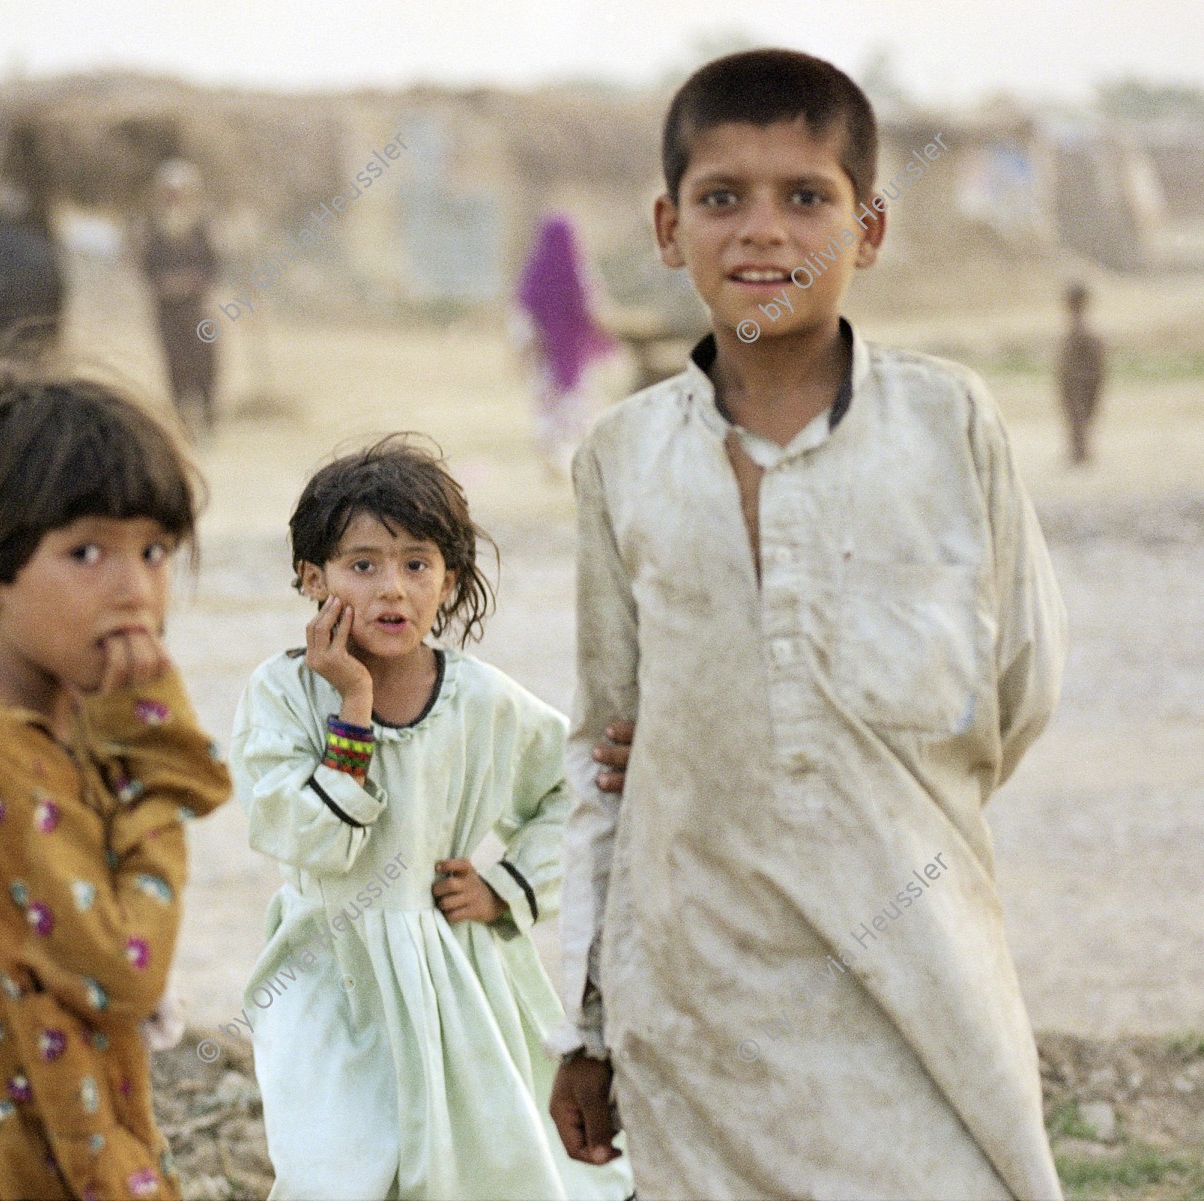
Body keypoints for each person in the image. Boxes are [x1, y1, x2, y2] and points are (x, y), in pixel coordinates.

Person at [546, 49, 1069, 1200]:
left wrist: (861, 766)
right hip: (698, 1011)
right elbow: (602, 751)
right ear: (668, 227)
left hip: (922, 988)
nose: (762, 232)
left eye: (807, 198)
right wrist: (582, 1022)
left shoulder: (947, 424)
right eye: (721, 197)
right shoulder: (624, 460)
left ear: (867, 228)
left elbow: (1020, 688)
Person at [231, 436, 636, 1201]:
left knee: (471, 1167)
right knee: (331, 1169)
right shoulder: (282, 695)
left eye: (417, 564)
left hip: (455, 974)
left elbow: (578, 786)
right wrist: (352, 704)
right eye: (363, 564)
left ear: (449, 579)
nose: (393, 589)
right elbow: (309, 835)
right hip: (328, 972)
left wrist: (506, 885)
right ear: (311, 577)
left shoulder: (481, 700)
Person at [0, 360, 233, 1201]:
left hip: (66, 1131)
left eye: (154, 549)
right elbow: (122, 970)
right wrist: (155, 783)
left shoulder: (55, 725)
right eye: (86, 551)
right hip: (4, 1165)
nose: (135, 589)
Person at [513, 214, 636, 476]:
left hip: (546, 357)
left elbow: (523, 320)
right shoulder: (579, 272)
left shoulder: (534, 273)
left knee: (549, 405)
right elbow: (596, 312)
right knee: (576, 405)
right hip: (574, 356)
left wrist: (523, 353)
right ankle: (569, 459)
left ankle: (555, 459)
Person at [137, 159, 221, 442]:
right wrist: (165, 284)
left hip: (196, 309)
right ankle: (182, 422)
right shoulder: (153, 227)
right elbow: (146, 266)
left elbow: (213, 265)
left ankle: (208, 418)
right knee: (175, 365)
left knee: (204, 363)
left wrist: (192, 282)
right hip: (167, 310)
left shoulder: (201, 225)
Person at [1058, 281, 1106, 466]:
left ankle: (1080, 452)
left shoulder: (1083, 333)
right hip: (1078, 379)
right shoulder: (1080, 332)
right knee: (1078, 416)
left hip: (1081, 380)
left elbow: (1096, 361)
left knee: (1080, 416)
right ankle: (1079, 452)